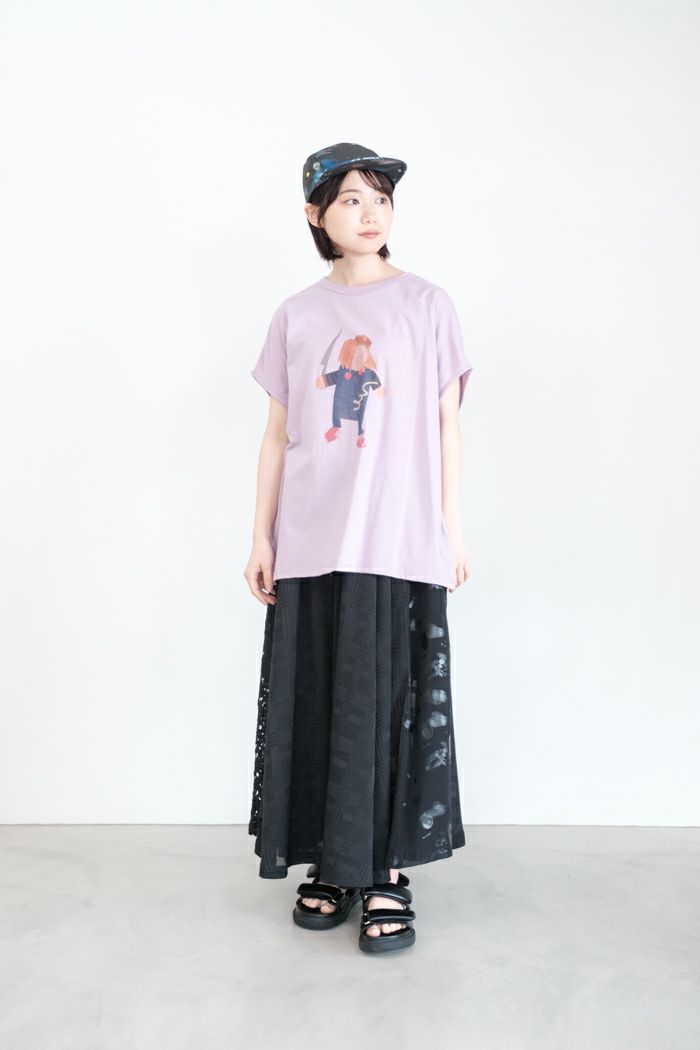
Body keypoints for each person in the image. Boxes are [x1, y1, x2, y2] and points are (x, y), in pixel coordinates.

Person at [244, 142, 473, 954]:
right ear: (316, 215)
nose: (370, 213)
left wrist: (450, 528)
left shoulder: (426, 305)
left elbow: (445, 426)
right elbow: (278, 435)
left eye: (380, 198)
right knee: (318, 699)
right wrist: (260, 535)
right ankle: (333, 865)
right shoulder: (297, 314)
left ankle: (386, 872)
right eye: (350, 199)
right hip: (312, 537)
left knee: (389, 703)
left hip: (395, 535)